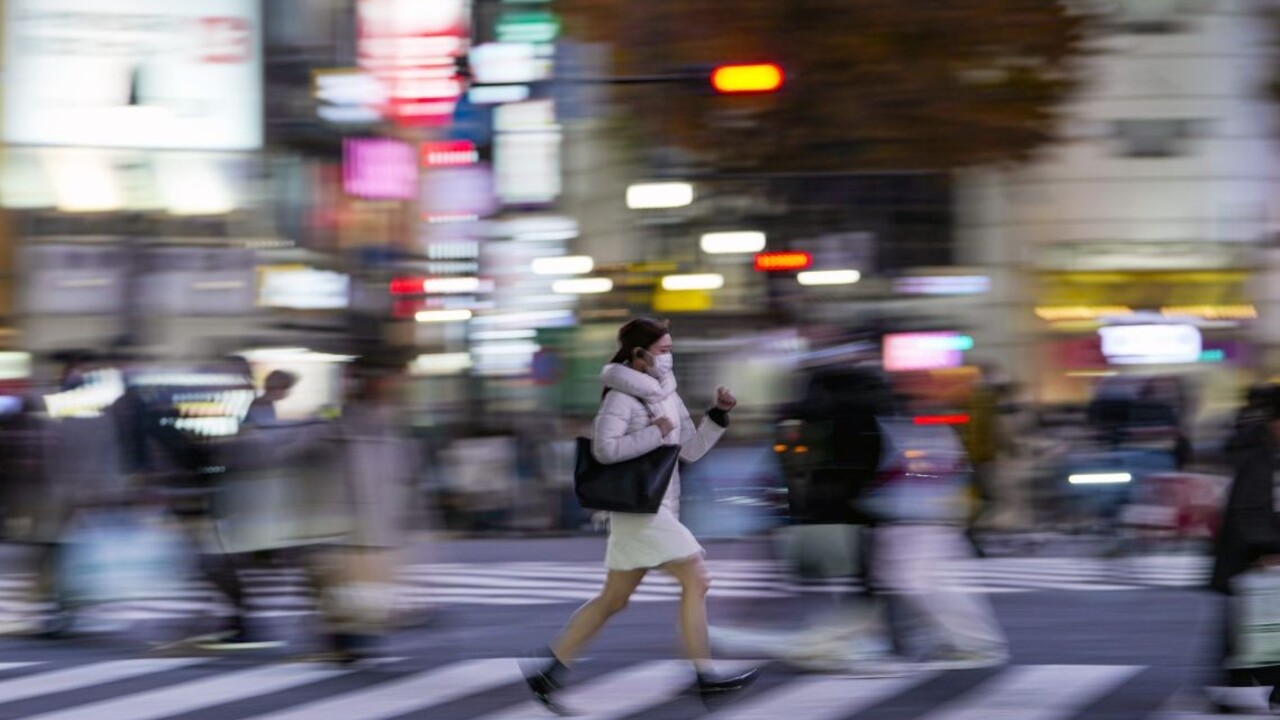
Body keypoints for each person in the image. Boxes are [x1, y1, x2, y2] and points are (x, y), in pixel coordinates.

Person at [520, 318, 758, 713]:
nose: (669, 357)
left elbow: (688, 451)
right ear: (639, 354)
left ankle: (548, 672)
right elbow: (604, 451)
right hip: (639, 512)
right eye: (663, 350)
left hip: (658, 506)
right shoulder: (620, 397)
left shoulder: (669, 395)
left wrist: (717, 414)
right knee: (697, 578)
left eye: (670, 349)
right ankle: (703, 676)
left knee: (613, 600)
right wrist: (654, 432)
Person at [1206, 384, 1280, 712]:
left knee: (1248, 625)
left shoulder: (1262, 447)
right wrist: (1265, 549)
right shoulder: (1256, 451)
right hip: (1252, 552)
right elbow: (1250, 505)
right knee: (1252, 624)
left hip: (1254, 550)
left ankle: (1234, 688)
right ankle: (1234, 689)